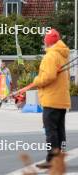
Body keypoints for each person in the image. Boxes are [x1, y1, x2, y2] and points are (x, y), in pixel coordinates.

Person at [34, 29, 70, 169]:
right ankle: (60, 156)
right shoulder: (62, 55)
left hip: (51, 98)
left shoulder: (51, 56)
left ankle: (52, 159)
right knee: (60, 130)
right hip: (61, 99)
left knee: (51, 131)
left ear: (47, 41)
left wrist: (37, 80)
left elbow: (48, 76)